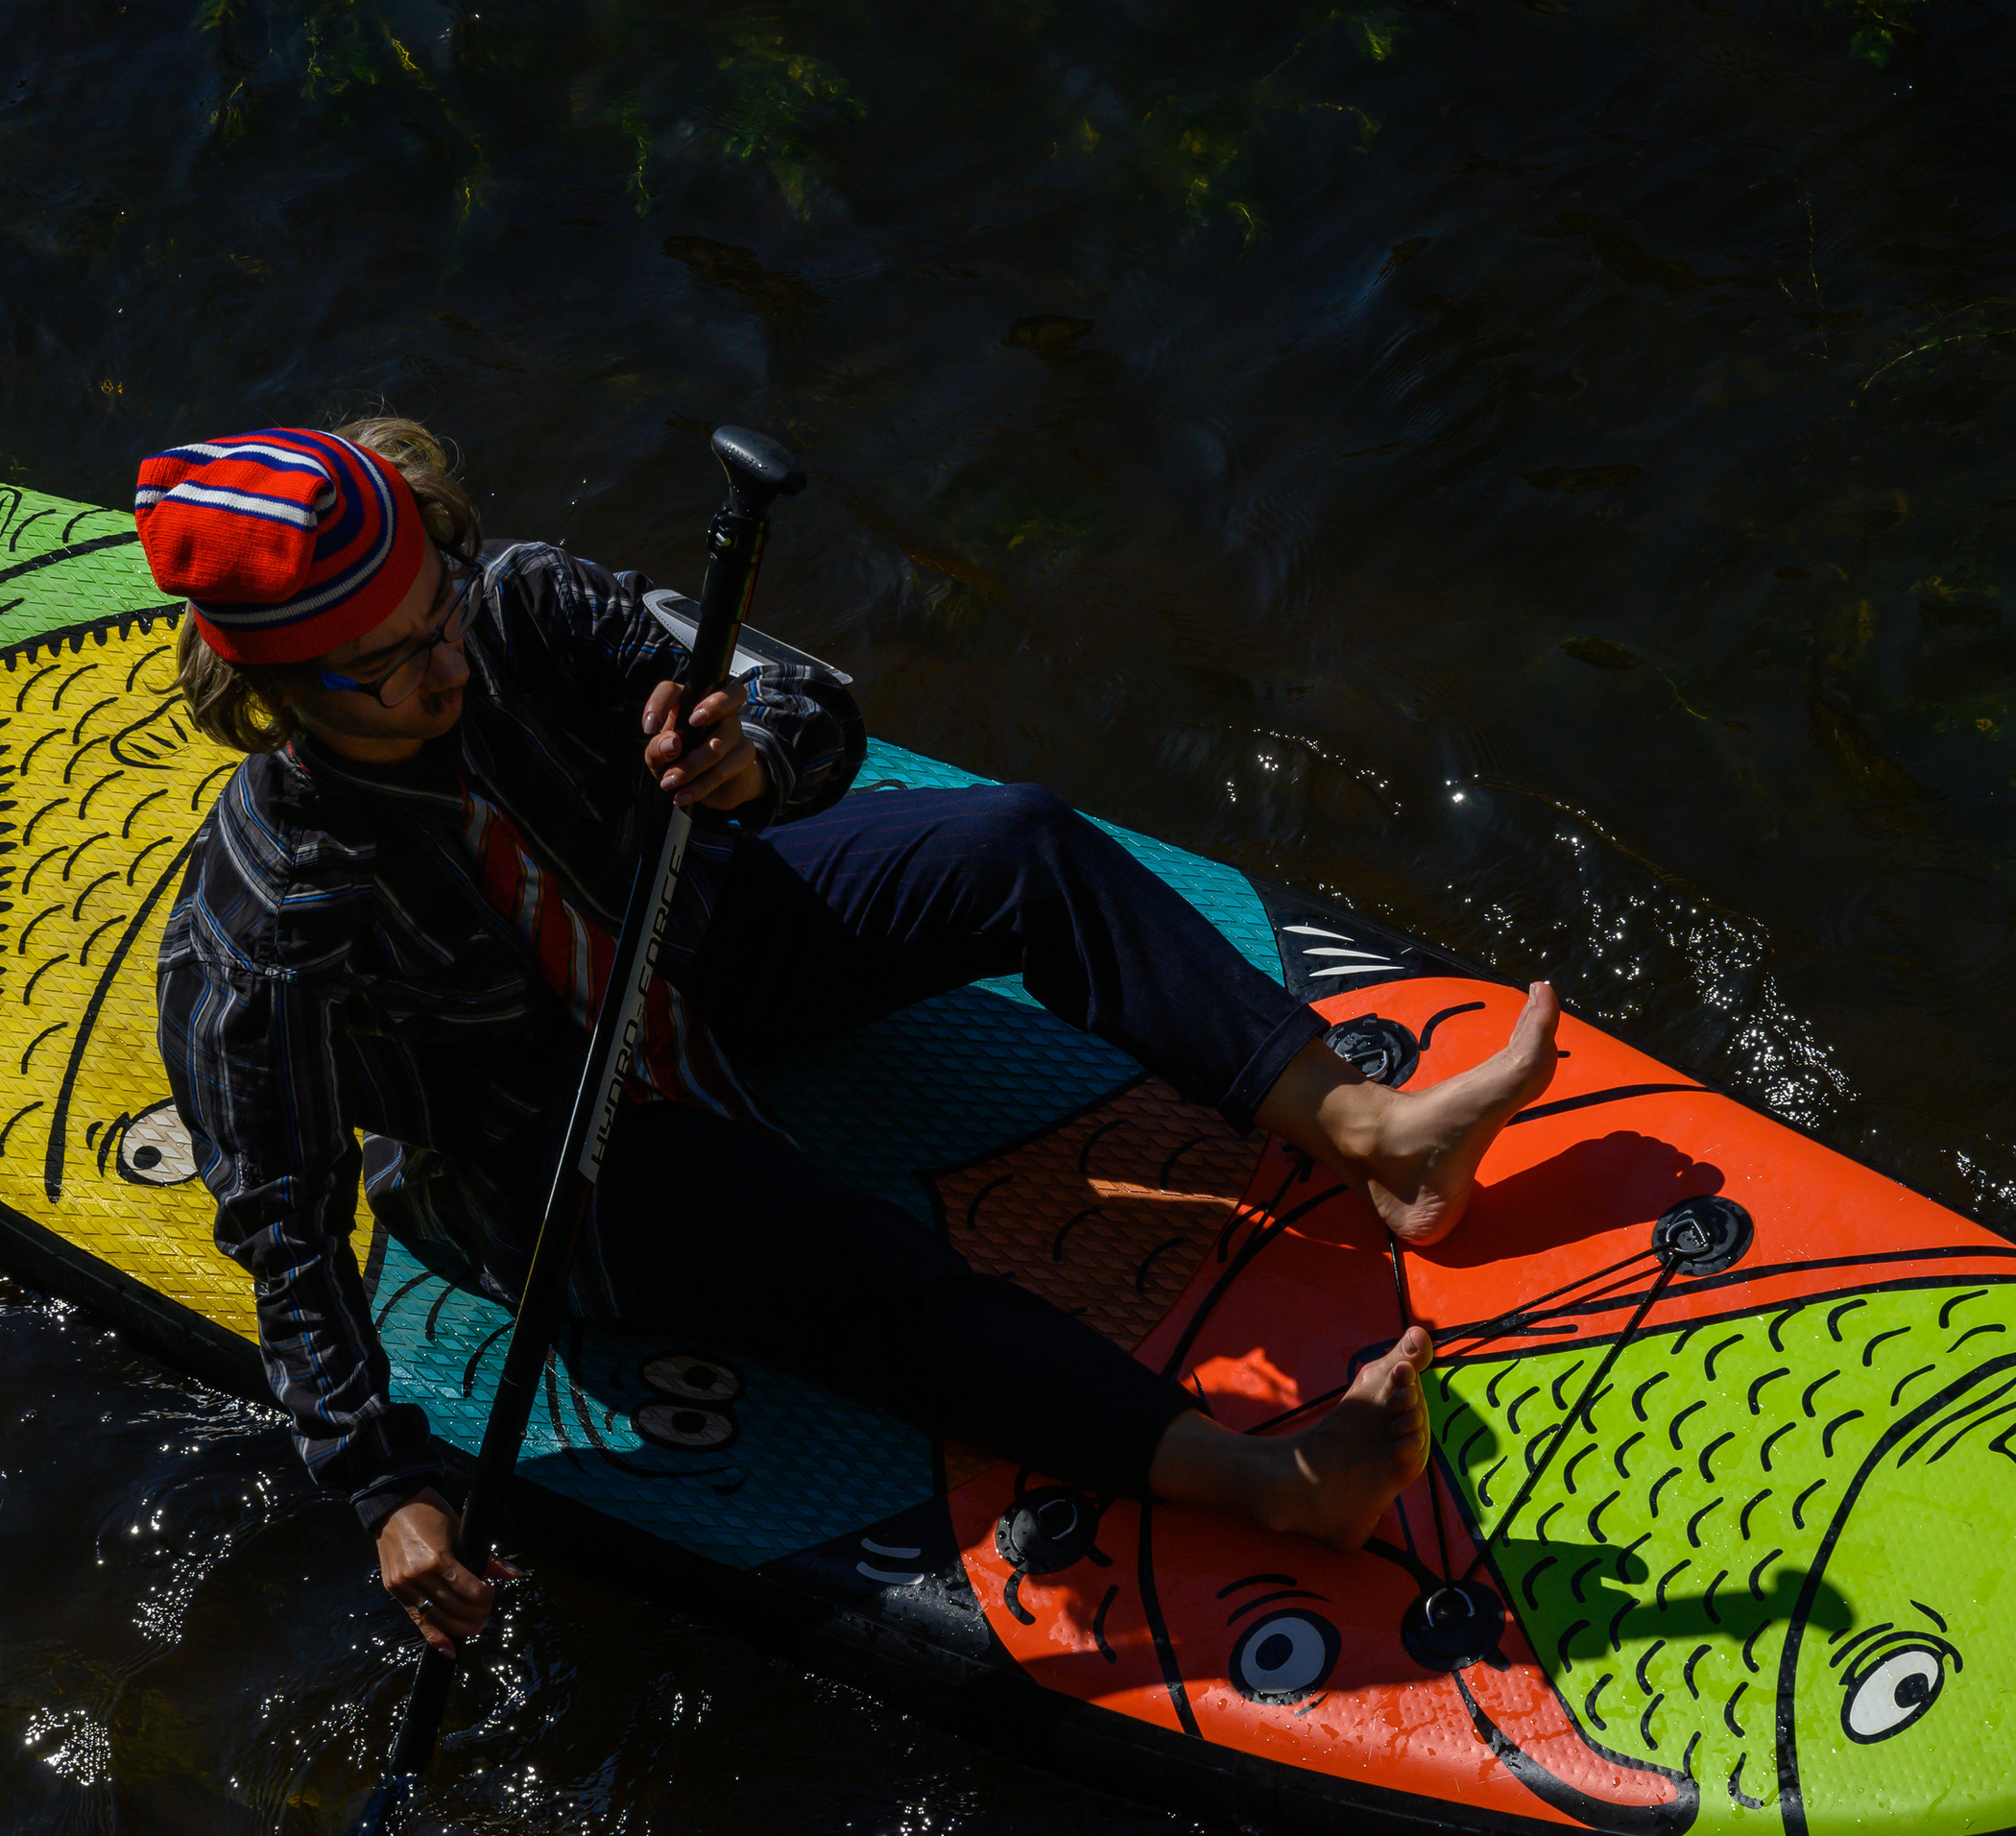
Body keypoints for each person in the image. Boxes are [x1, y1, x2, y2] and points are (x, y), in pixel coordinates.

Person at [144, 418, 1559, 1659]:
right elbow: (279, 1220)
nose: (444, 662)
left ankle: (1376, 1136)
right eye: (389, 668)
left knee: (1021, 841)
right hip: (545, 1149)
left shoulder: (518, 605)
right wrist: (386, 1488)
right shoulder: (266, 917)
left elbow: (809, 705)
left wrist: (754, 753)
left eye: (438, 611)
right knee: (838, 1249)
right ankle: (1270, 1483)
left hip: (698, 950)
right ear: (284, 697)